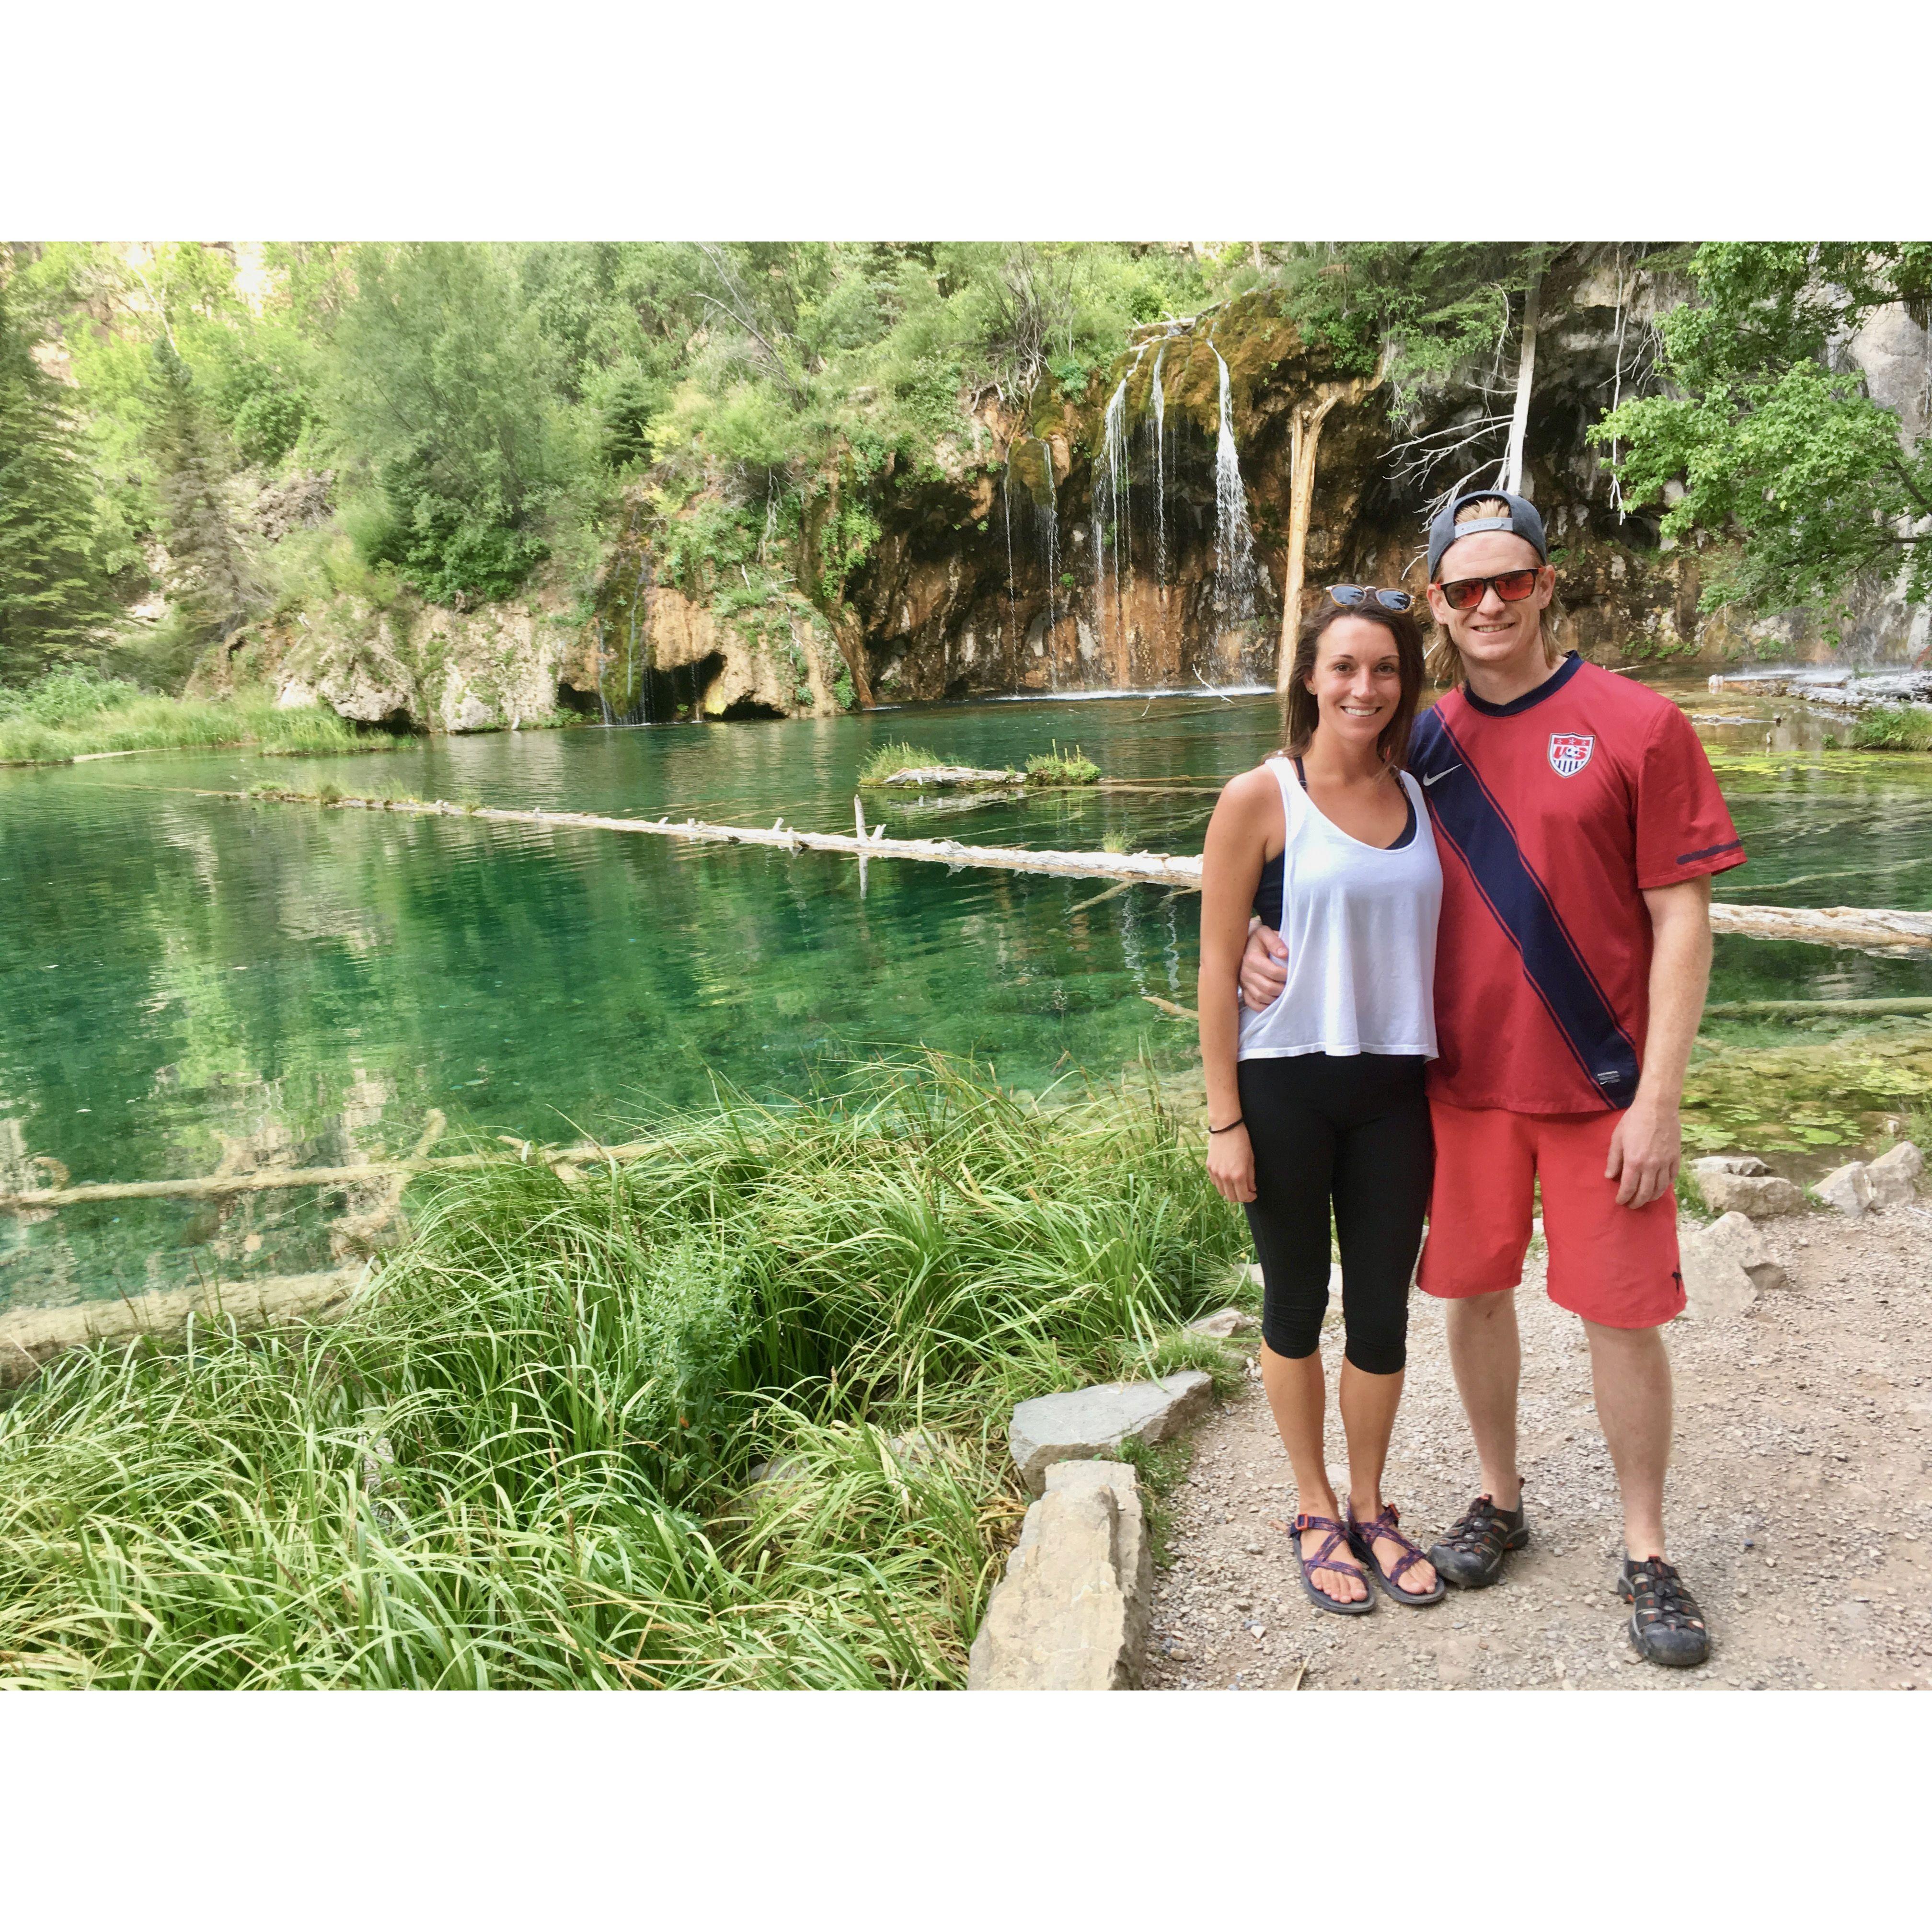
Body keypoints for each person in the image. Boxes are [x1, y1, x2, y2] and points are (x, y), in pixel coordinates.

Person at [1241, 491, 1744, 1668]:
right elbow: (1294, 807)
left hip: (1599, 1088)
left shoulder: (1639, 725)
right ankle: (1499, 1497)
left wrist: (1662, 1097)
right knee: (1472, 1297)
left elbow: (1685, 923)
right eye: (1463, 589)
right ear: (1437, 605)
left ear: (1547, 583)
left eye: (1508, 581)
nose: (1487, 605)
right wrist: (1259, 930)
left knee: (1621, 1320)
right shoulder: (1417, 741)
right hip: (1457, 1088)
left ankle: (1647, 1549)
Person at [1198, 589, 1446, 1616]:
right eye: (1344, 667)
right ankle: (1312, 1504)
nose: (1364, 687)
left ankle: (1373, 1505)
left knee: (1382, 1313)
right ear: (1309, 678)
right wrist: (1224, 1119)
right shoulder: (1261, 798)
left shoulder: (1423, 793)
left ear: (1405, 685)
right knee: (1296, 1304)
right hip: (1286, 1081)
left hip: (1396, 1090)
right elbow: (1218, 966)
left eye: (1384, 669)